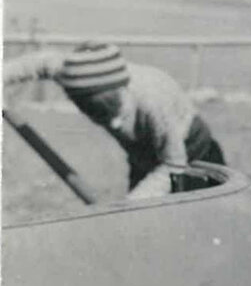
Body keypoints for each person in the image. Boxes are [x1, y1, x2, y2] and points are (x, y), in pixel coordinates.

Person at [3, 42, 225, 199]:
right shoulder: (74, 73)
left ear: (122, 90)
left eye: (117, 112)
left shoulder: (153, 99)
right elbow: (39, 62)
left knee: (204, 216)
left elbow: (173, 164)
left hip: (193, 149)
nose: (115, 125)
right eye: (100, 117)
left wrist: (129, 206)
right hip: (143, 155)